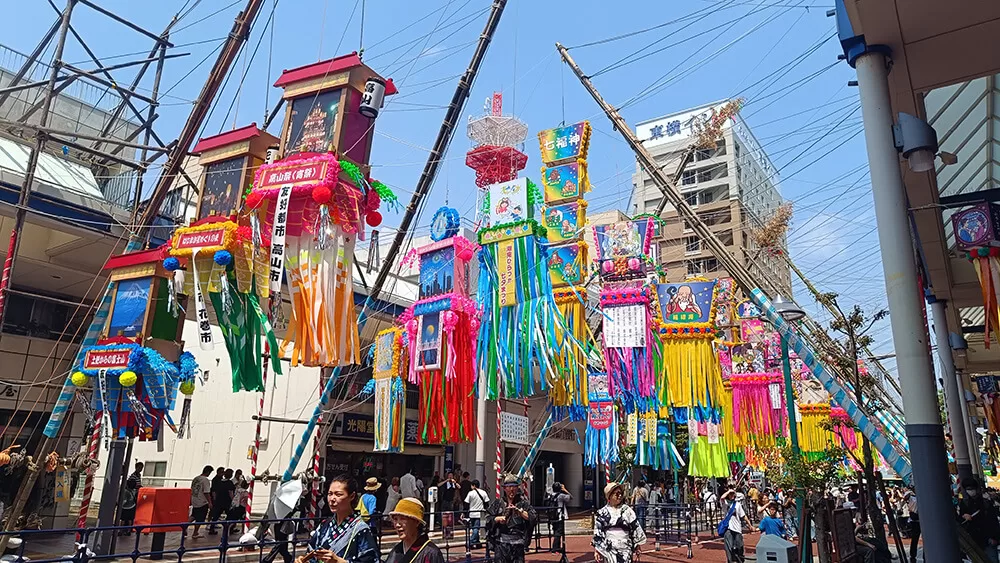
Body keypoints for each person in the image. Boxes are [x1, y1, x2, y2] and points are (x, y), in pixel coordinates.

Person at [295, 475, 377, 563]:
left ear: (352, 496)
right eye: (330, 494)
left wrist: (338, 561)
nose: (332, 499)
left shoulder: (361, 529)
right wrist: (304, 560)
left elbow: (371, 560)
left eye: (338, 494)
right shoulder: (324, 525)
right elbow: (312, 554)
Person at [485, 475, 536, 563]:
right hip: (501, 544)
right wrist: (498, 519)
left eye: (514, 487)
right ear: (504, 489)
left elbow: (533, 517)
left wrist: (520, 512)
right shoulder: (498, 503)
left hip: (518, 544)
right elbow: (488, 518)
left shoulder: (523, 503)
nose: (512, 490)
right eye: (509, 487)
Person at [593, 482, 646, 563]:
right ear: (609, 496)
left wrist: (637, 546)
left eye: (621, 493)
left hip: (625, 548)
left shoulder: (628, 510)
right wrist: (597, 550)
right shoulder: (601, 512)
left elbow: (635, 527)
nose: (620, 496)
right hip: (609, 549)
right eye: (617, 494)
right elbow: (598, 532)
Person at [384, 497, 445, 563]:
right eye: (395, 519)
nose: (397, 525)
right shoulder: (396, 551)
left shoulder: (431, 553)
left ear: (417, 522)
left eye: (402, 519)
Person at [958, 477, 1000, 563]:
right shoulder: (964, 503)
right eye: (968, 489)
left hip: (988, 538)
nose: (971, 491)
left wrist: (995, 537)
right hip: (974, 539)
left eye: (972, 489)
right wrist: (964, 516)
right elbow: (960, 521)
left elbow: (993, 521)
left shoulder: (985, 502)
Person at [720, 489, 750, 563]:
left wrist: (749, 524)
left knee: (740, 547)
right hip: (728, 529)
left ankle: (740, 560)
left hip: (737, 528)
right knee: (729, 548)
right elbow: (722, 498)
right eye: (731, 494)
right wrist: (728, 491)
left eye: (733, 494)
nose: (732, 495)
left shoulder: (738, 504)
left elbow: (743, 515)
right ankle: (730, 561)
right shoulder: (725, 503)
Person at [119, 462, 143, 536]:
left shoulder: (138, 476)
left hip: (127, 503)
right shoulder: (133, 476)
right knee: (129, 517)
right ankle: (128, 529)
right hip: (132, 500)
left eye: (141, 467)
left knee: (124, 517)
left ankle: (122, 529)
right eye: (139, 467)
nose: (141, 469)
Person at [209, 468, 237, 534]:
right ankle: (227, 527)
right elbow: (231, 493)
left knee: (216, 515)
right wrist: (233, 500)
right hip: (227, 501)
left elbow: (214, 491)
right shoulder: (230, 483)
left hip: (219, 501)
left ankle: (211, 528)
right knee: (230, 515)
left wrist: (215, 499)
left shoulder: (219, 482)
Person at [190, 465, 213, 539]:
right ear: (208, 472)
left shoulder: (196, 478)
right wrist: (210, 502)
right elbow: (206, 492)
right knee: (200, 518)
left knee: (193, 515)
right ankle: (195, 533)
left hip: (194, 499)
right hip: (202, 501)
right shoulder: (205, 480)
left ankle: (184, 526)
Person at [464, 480, 489, 549]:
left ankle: (470, 542)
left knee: (474, 528)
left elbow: (466, 503)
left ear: (474, 486)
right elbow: (487, 503)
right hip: (480, 513)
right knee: (476, 528)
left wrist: (464, 513)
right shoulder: (483, 492)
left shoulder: (470, 493)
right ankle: (477, 543)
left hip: (472, 513)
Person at [549, 482, 572, 552]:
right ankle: (555, 548)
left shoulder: (550, 496)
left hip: (552, 516)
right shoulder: (561, 496)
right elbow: (570, 497)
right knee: (559, 532)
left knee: (555, 531)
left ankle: (558, 547)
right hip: (559, 516)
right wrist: (565, 489)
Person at [903, 489, 919, 563]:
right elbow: (905, 496)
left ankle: (913, 555)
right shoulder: (912, 498)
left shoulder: (912, 498)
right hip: (915, 520)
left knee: (915, 539)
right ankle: (912, 555)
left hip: (916, 519)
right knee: (915, 539)